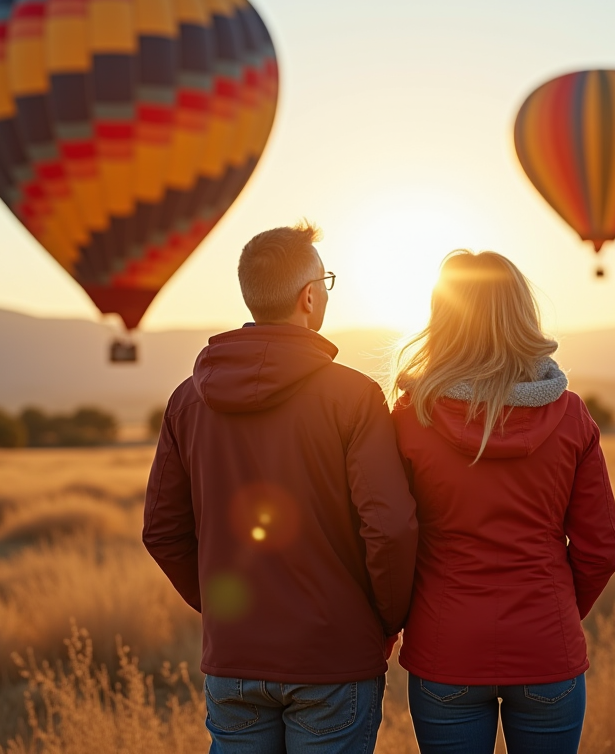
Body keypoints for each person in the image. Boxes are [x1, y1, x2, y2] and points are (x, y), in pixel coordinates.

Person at [143, 221, 419, 753]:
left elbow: (161, 531)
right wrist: (382, 619)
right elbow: (389, 527)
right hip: (334, 656)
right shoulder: (355, 397)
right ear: (310, 296)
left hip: (235, 659)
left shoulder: (187, 400)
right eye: (327, 283)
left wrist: (229, 611)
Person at [390, 250, 615, 754]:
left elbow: (390, 538)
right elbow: (601, 549)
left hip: (445, 647)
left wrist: (401, 620)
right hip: (546, 646)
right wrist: (554, 612)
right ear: (523, 314)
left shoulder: (409, 418)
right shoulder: (572, 416)